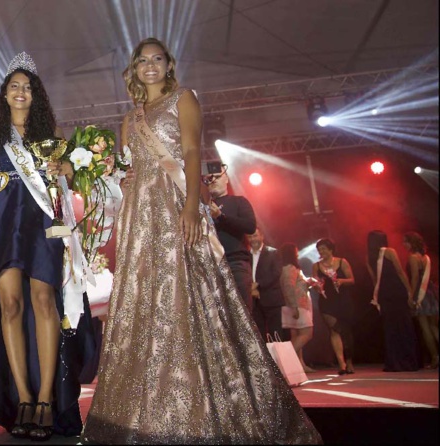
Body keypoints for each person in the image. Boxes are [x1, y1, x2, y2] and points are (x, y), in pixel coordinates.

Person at [81, 37, 321, 444]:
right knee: (143, 301)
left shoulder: (183, 99)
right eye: (143, 61)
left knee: (185, 294)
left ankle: (201, 405)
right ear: (134, 69)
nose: (151, 66)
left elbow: (191, 152)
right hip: (140, 215)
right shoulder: (129, 119)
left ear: (168, 64)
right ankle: (144, 411)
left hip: (175, 204)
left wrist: (191, 206)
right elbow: (133, 168)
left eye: (158, 59)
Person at [0, 52, 95, 441]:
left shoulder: (51, 133)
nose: (21, 91)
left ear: (35, 94)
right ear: (5, 95)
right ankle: (24, 398)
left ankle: (46, 398)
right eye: (14, 86)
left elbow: (70, 174)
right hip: (1, 221)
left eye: (27, 86)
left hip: (41, 222)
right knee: (9, 306)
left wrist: (68, 168)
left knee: (44, 300)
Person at [206, 163, 257, 311]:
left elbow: (250, 226)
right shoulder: (202, 207)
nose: (213, 180)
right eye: (209, 178)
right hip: (212, 265)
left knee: (242, 312)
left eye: (217, 176)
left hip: (235, 263)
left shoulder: (239, 202)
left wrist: (221, 217)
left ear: (226, 178)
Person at [367, 230, 419, 372]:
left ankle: (393, 362)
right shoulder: (389, 251)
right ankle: (408, 362)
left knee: (390, 329)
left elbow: (374, 280)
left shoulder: (369, 257)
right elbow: (400, 272)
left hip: (384, 294)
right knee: (404, 327)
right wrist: (409, 292)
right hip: (397, 292)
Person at [312, 238, 356, 374]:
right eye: (319, 249)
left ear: (331, 249)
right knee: (334, 329)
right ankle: (341, 363)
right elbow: (315, 283)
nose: (321, 252)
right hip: (326, 301)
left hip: (343, 300)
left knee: (346, 331)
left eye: (324, 248)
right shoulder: (317, 266)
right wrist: (317, 286)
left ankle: (349, 362)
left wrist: (341, 281)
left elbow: (352, 280)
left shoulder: (342, 262)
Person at [279, 242, 318, 373]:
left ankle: (300, 365)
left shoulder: (289, 268)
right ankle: (284, 361)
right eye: (295, 251)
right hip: (297, 305)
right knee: (306, 333)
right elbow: (288, 286)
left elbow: (294, 285)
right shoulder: (290, 267)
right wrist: (293, 306)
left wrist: (307, 283)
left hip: (294, 304)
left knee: (296, 335)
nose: (297, 253)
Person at [403, 231, 439, 368]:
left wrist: (411, 296)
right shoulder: (425, 258)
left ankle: (435, 357)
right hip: (431, 292)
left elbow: (415, 278)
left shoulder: (413, 258)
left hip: (421, 294)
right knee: (434, 326)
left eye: (405, 241)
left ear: (411, 243)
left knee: (426, 328)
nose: (403, 244)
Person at [249, 228, 285, 340]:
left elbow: (276, 273)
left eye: (255, 236)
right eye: (250, 237)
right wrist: (250, 288)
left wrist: (258, 284)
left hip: (271, 299)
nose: (252, 239)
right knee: (259, 335)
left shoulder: (273, 253)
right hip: (253, 301)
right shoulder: (245, 256)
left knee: (276, 334)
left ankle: (278, 358)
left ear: (262, 236)